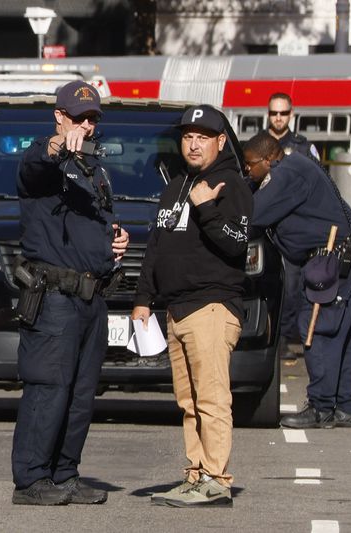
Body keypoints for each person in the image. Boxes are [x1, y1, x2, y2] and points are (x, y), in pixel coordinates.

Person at [11, 80, 129, 505]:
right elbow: (34, 168)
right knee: (48, 387)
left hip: (91, 297)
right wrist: (60, 148)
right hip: (54, 298)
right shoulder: (41, 155)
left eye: (93, 118)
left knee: (81, 392)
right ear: (59, 117)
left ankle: (64, 474)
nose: (87, 125)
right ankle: (31, 480)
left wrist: (115, 240)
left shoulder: (94, 169)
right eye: (79, 117)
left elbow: (94, 225)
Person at [133, 104, 252, 508]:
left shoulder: (230, 184)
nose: (194, 143)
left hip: (213, 306)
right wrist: (143, 299)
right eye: (188, 136)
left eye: (203, 137)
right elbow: (156, 246)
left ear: (221, 142)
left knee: (212, 398)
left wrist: (207, 209)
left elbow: (237, 244)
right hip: (177, 309)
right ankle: (196, 474)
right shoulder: (177, 184)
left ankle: (217, 479)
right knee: (188, 402)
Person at [243, 131, 351, 430]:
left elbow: (254, 215)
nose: (248, 171)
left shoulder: (286, 174)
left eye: (250, 165)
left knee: (318, 326)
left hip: (334, 257)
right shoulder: (294, 167)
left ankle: (321, 407)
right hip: (342, 254)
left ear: (269, 159)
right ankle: (348, 406)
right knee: (340, 331)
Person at [261, 92, 319, 360]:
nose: (278, 118)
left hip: (293, 227)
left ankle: (283, 337)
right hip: (262, 225)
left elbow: (318, 183)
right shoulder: (256, 144)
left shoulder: (303, 147)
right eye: (274, 113)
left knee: (292, 286)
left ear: (291, 114)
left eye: (283, 113)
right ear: (268, 114)